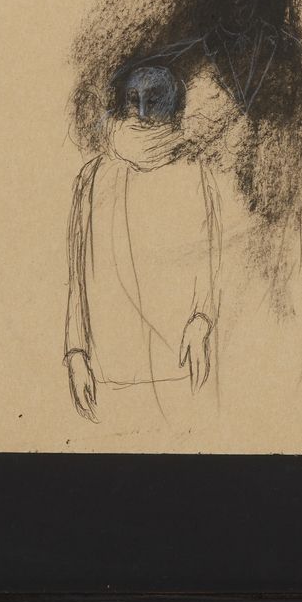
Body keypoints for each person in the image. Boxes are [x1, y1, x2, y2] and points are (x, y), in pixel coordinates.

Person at [63, 65, 221, 426]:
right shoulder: (93, 176)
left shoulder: (195, 172)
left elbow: (212, 257)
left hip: (180, 366)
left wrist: (202, 321)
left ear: (174, 105)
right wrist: (75, 352)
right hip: (107, 373)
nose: (144, 112)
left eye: (155, 100)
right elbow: (76, 276)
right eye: (135, 100)